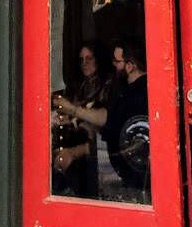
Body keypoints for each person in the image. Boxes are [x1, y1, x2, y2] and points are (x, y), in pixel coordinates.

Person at [56, 41, 149, 192]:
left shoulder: (133, 93)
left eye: (117, 62)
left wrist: (73, 111)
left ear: (130, 66)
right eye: (81, 60)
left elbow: (107, 121)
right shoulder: (128, 90)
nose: (114, 65)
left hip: (126, 176)